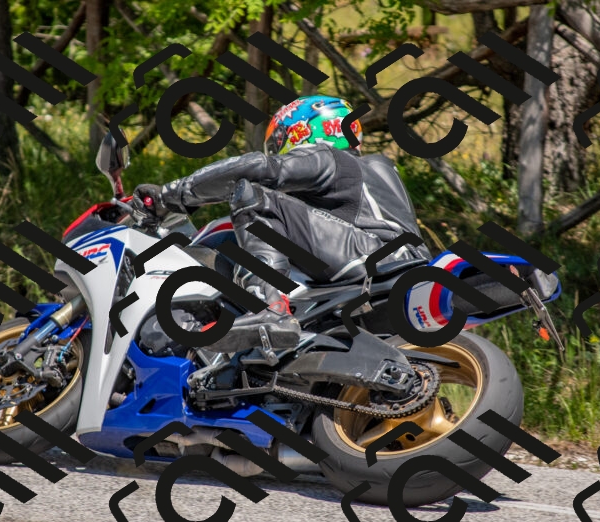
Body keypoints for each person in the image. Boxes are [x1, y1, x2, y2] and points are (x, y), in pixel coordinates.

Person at [135, 95, 431, 354]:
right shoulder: (370, 172)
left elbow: (257, 168)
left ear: (303, 130)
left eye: (279, 141)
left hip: (372, 258)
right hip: (399, 271)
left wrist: (169, 196)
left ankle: (270, 309)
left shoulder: (329, 157)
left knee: (252, 193)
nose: (278, 149)